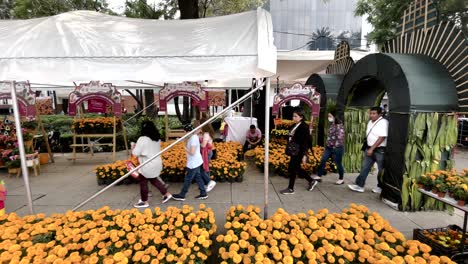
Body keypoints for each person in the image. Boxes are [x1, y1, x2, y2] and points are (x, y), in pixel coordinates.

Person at [348, 106, 388, 193]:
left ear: (379, 114)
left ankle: (381, 187)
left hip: (379, 150)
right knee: (365, 167)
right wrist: (369, 148)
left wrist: (372, 149)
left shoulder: (383, 122)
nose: (371, 115)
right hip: (369, 148)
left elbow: (382, 137)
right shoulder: (370, 122)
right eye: (370, 113)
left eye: (374, 113)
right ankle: (359, 185)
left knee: (381, 170)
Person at [132, 121, 172, 208]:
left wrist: (133, 147)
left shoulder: (142, 139)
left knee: (143, 181)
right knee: (153, 180)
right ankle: (166, 194)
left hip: (147, 164)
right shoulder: (157, 139)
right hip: (157, 163)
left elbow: (136, 153)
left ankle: (144, 201)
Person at [280, 108, 317, 194]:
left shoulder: (304, 127)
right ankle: (311, 181)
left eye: (295, 116)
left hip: (299, 151)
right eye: (293, 116)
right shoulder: (296, 125)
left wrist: (304, 155)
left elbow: (305, 142)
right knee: (295, 168)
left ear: (301, 117)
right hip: (294, 150)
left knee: (293, 168)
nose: (293, 117)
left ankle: (290, 188)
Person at [172, 124, 208, 201]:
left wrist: (184, 147)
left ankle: (182, 195)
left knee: (188, 179)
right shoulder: (192, 136)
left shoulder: (193, 139)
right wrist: (181, 140)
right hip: (196, 162)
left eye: (184, 131)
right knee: (198, 177)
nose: (184, 133)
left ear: (186, 131)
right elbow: (187, 139)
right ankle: (203, 193)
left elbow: (192, 152)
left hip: (194, 163)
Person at [313, 110, 345, 184]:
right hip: (329, 147)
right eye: (328, 116)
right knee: (323, 160)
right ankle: (319, 175)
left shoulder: (339, 125)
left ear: (334, 116)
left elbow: (340, 138)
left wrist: (334, 147)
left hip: (337, 148)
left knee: (338, 163)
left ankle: (341, 179)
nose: (329, 117)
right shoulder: (332, 124)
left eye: (330, 116)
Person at [198, 118, 217, 192]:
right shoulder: (206, 132)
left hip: (206, 153)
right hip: (208, 152)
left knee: (202, 168)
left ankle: (209, 182)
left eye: (200, 124)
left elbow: (203, 145)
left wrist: (197, 144)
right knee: (206, 167)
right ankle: (207, 183)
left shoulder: (206, 134)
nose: (199, 125)